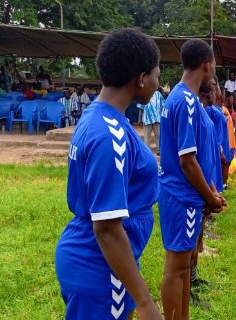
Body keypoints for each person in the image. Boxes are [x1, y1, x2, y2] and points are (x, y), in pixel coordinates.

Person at [54, 28, 163, 320]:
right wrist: (145, 302)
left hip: (105, 263)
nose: (157, 84)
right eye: (157, 75)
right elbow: (107, 228)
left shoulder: (99, 117)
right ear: (141, 78)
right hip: (101, 266)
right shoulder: (109, 133)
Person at [158, 38, 225, 320]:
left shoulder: (186, 99)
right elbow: (187, 161)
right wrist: (210, 197)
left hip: (188, 195)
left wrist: (210, 188)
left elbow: (199, 155)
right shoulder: (184, 100)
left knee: (184, 267)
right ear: (206, 64)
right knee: (176, 269)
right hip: (180, 196)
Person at [137, 88, 165, 153]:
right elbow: (140, 108)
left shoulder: (158, 95)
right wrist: (139, 118)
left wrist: (163, 117)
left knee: (158, 135)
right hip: (147, 119)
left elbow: (163, 106)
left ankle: (159, 150)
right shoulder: (144, 94)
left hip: (157, 118)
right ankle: (147, 151)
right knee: (147, 136)